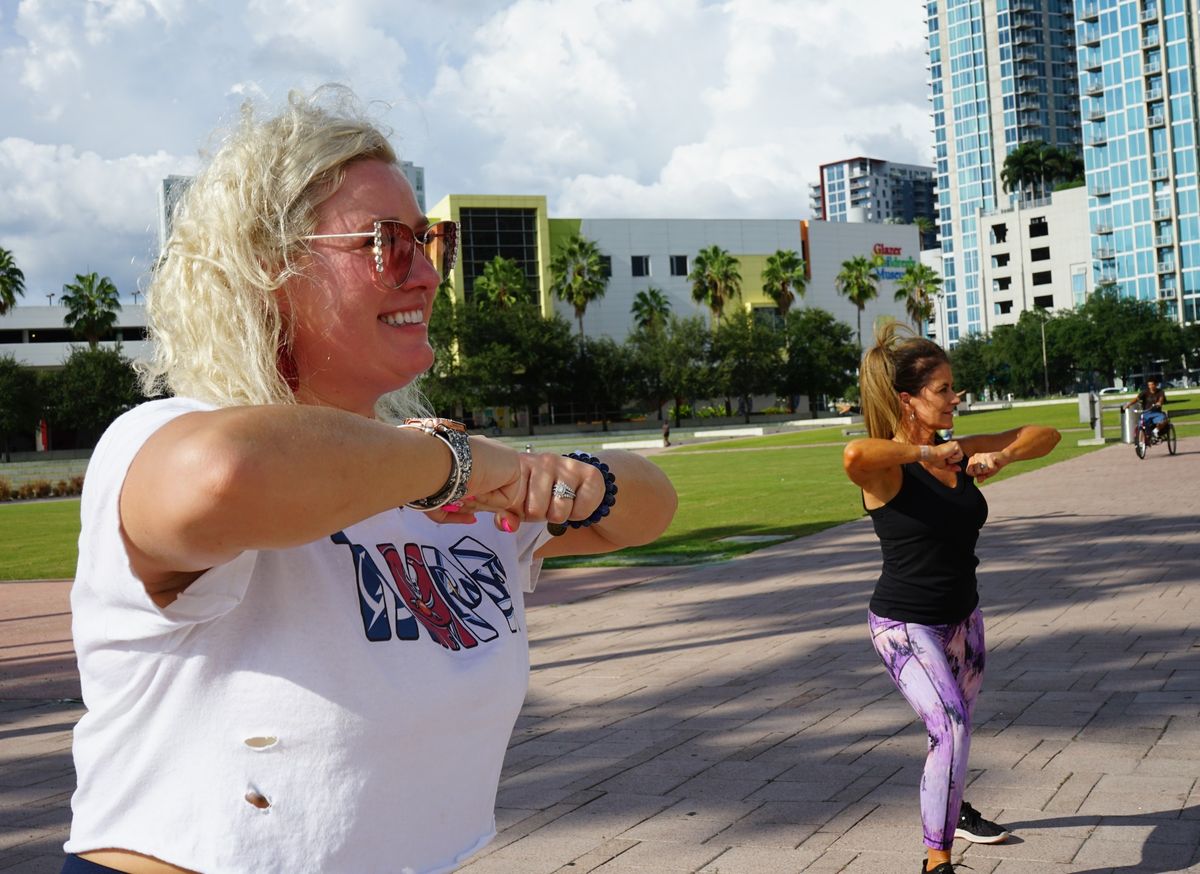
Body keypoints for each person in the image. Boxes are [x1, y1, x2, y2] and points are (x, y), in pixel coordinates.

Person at [62, 87, 677, 874]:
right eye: (387, 242)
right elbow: (225, 475)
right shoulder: (162, 435)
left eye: (430, 240)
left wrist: (569, 481)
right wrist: (452, 467)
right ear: (268, 264)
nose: (425, 275)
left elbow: (650, 505)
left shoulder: (437, 477)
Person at [842, 323, 1060, 874]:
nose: (955, 398)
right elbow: (853, 454)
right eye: (943, 390)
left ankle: (954, 810)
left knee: (954, 729)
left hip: (964, 620)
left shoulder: (956, 450)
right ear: (908, 399)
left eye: (953, 387)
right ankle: (936, 861)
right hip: (905, 626)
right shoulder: (890, 470)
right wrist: (924, 454)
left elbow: (1046, 433)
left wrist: (1002, 457)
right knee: (952, 727)